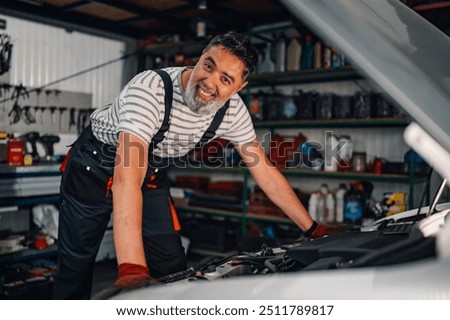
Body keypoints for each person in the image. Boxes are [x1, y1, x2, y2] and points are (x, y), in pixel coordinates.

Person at [54, 31, 330, 299]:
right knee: (76, 268)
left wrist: (313, 229)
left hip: (149, 173)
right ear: (200, 58)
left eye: (225, 78)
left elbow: (266, 174)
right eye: (208, 65)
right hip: (93, 168)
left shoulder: (233, 111)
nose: (210, 82)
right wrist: (132, 270)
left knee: (172, 264)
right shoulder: (151, 89)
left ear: (239, 88)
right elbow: (126, 180)